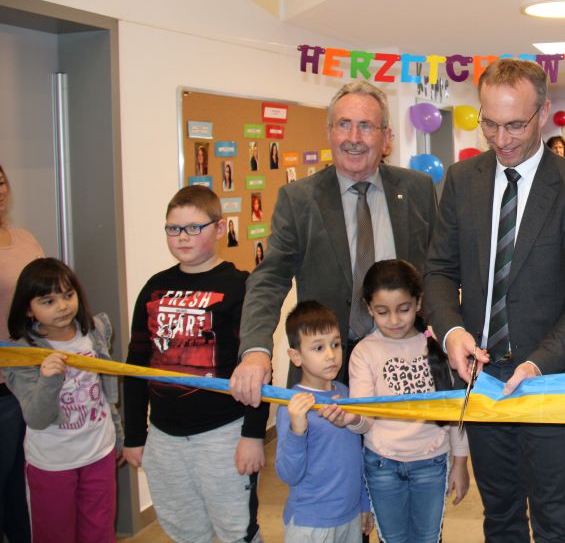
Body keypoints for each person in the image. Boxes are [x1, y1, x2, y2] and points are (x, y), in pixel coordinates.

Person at [424, 57, 565, 542]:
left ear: (544, 112)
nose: (502, 138)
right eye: (490, 123)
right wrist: (452, 332)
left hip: (552, 381)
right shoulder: (462, 181)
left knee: (557, 519)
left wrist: (538, 363)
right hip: (482, 380)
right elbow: (439, 272)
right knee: (501, 515)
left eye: (515, 125)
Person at [231, 79, 437, 404]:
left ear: (386, 137)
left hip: (405, 365)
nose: (354, 138)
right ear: (329, 132)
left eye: (366, 126)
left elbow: (435, 271)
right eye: (344, 125)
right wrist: (255, 350)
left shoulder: (417, 190)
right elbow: (269, 279)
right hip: (325, 370)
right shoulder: (298, 199)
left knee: (404, 454)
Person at [123, 185, 268, 543]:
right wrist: (134, 435)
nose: (182, 238)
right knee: (183, 527)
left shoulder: (240, 286)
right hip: (164, 437)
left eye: (193, 228)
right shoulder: (155, 287)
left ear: (219, 229)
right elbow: (136, 364)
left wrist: (252, 436)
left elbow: (258, 371)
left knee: (237, 529)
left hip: (222, 435)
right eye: (173, 229)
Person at [347, 259, 469, 541]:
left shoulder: (438, 347)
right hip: (382, 466)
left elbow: (454, 412)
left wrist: (460, 463)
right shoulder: (364, 353)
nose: (394, 320)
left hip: (431, 463)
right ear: (368, 308)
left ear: (418, 302)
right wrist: (351, 418)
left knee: (428, 538)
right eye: (382, 312)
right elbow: (363, 421)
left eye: (403, 309)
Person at [5, 258, 123, 543]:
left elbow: (105, 392)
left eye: (68, 296)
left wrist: (118, 435)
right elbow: (36, 418)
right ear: (28, 310)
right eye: (48, 301)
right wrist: (48, 378)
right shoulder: (23, 354)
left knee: (99, 531)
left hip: (98, 453)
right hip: (52, 462)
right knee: (54, 534)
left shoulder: (92, 332)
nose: (62, 306)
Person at [276, 301, 373, 542]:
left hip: (349, 518)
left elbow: (356, 456)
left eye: (336, 344)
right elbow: (289, 474)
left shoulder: (345, 393)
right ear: (296, 356)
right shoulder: (291, 406)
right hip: (311, 524)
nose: (331, 355)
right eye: (318, 348)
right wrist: (297, 431)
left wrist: (363, 503)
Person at [0, 164, 42, 543]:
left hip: (29, 377)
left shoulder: (24, 238)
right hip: (0, 385)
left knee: (19, 481)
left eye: (0, 181)